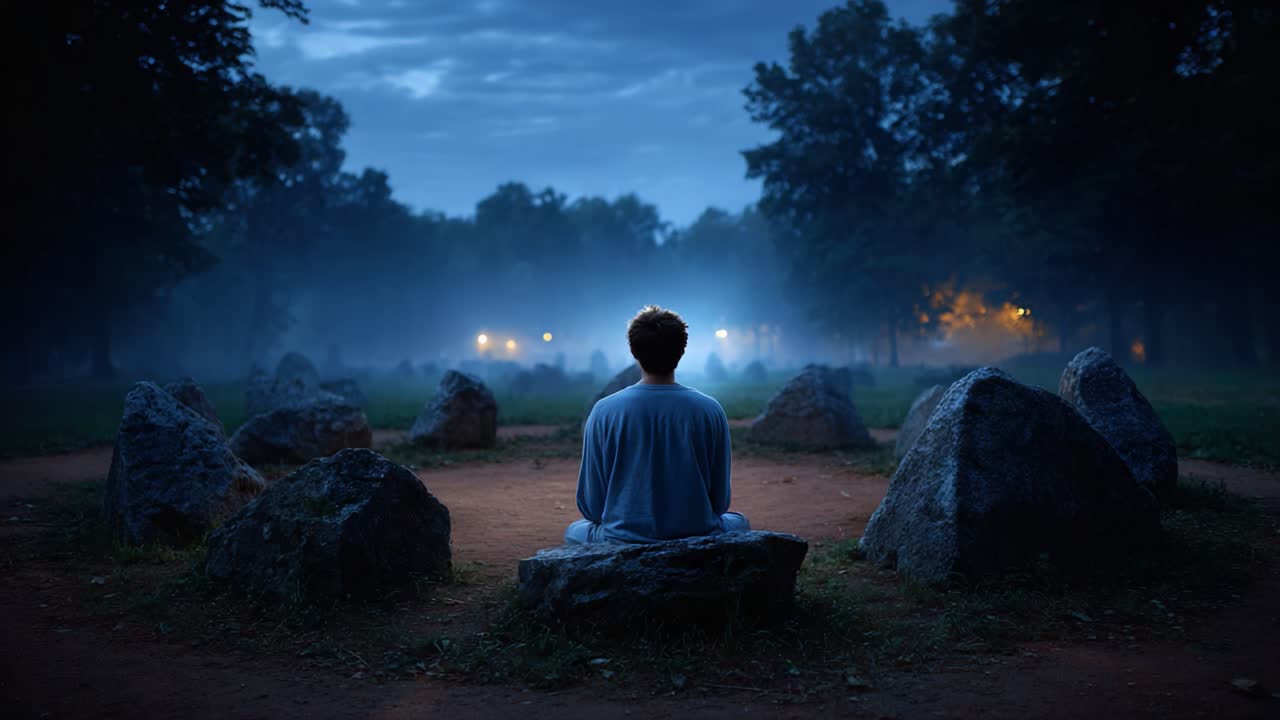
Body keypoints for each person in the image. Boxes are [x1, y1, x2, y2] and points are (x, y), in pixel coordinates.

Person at [565, 305, 750, 545]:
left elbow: (591, 507)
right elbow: (719, 503)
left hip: (623, 535)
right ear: (682, 350)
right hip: (697, 530)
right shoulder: (709, 409)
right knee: (739, 522)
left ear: (634, 351)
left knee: (575, 530)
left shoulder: (604, 410)